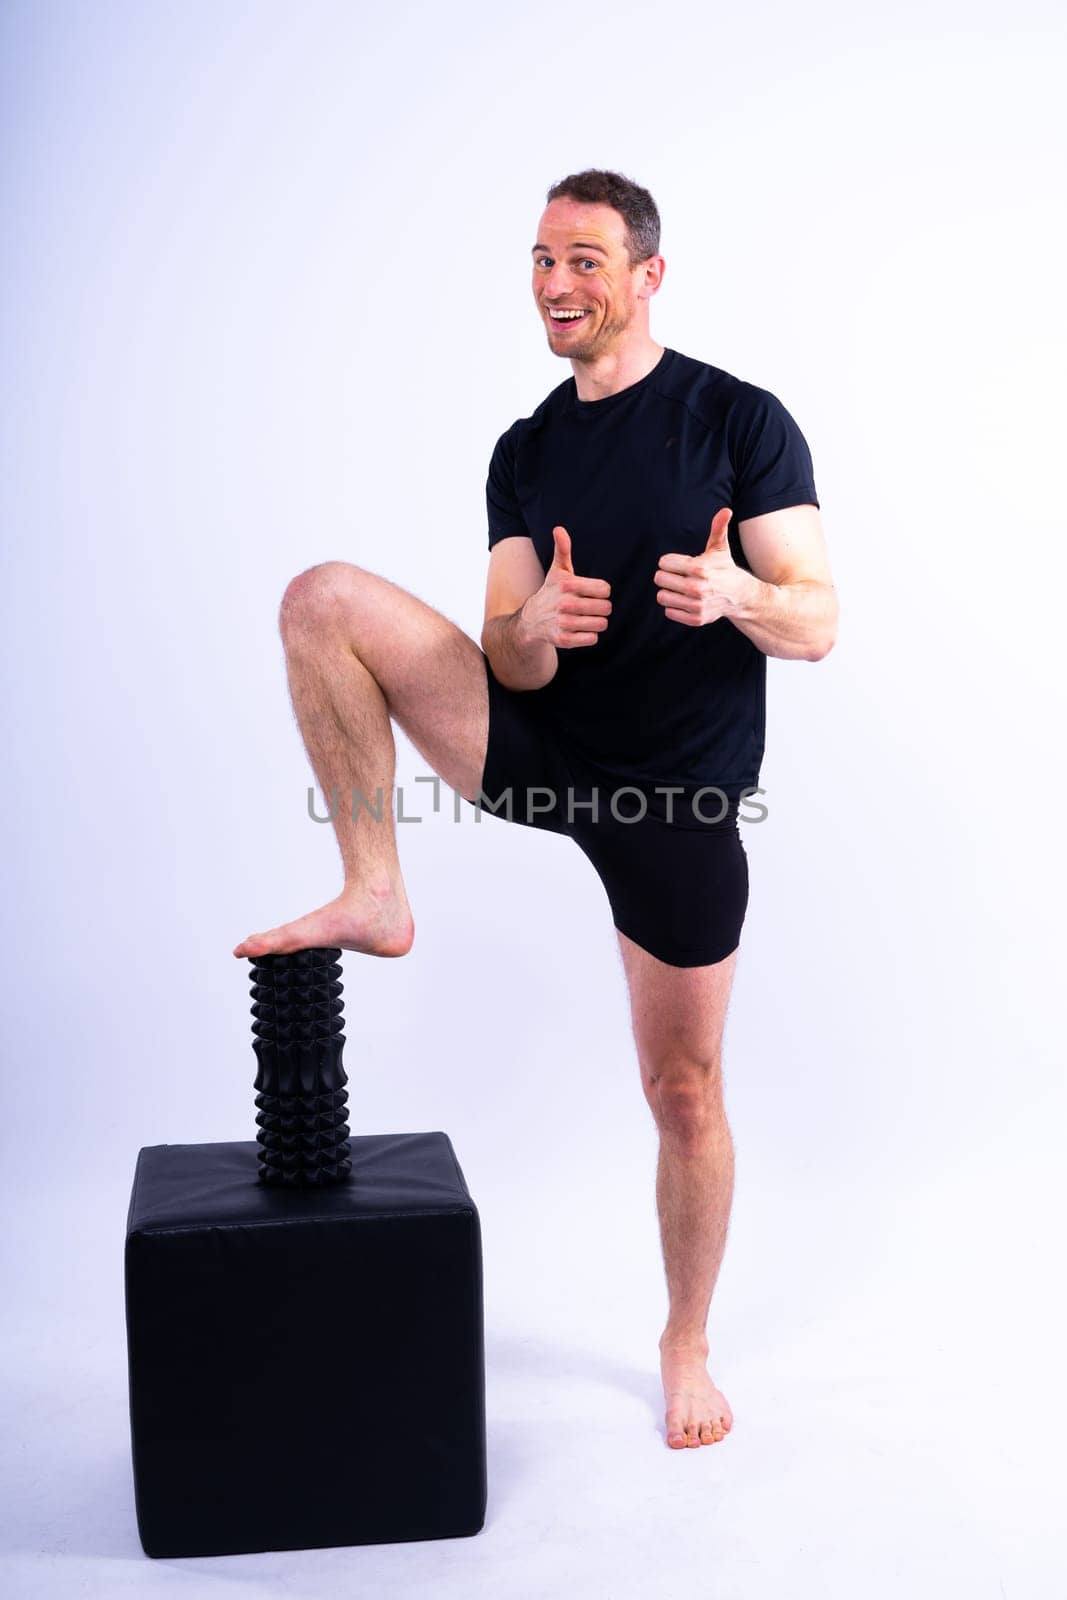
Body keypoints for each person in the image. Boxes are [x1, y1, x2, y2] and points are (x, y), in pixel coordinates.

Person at [233, 168, 839, 1451]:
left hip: (672, 795)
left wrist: (736, 596)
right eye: (540, 259)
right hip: (548, 746)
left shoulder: (740, 421)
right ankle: (377, 886)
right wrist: (534, 633)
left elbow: (819, 619)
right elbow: (506, 649)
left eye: (584, 259)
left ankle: (683, 1339)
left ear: (647, 275)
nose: (555, 284)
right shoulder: (525, 449)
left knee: (681, 1091)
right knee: (322, 598)